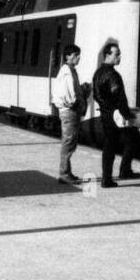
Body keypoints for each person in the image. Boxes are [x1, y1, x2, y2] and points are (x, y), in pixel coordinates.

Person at [91, 39, 139, 187]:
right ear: (107, 55)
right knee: (131, 139)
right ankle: (112, 177)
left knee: (110, 144)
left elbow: (96, 95)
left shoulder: (98, 73)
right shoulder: (113, 75)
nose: (119, 57)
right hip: (116, 115)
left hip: (105, 114)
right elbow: (119, 96)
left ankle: (116, 174)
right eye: (116, 54)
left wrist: (106, 107)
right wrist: (126, 114)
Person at [51, 43, 89, 184]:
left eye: (78, 55)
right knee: (68, 142)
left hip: (71, 111)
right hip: (69, 112)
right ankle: (64, 174)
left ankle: (67, 172)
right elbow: (67, 94)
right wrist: (75, 101)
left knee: (70, 142)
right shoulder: (67, 71)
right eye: (75, 55)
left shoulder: (71, 70)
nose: (78, 58)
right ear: (68, 56)